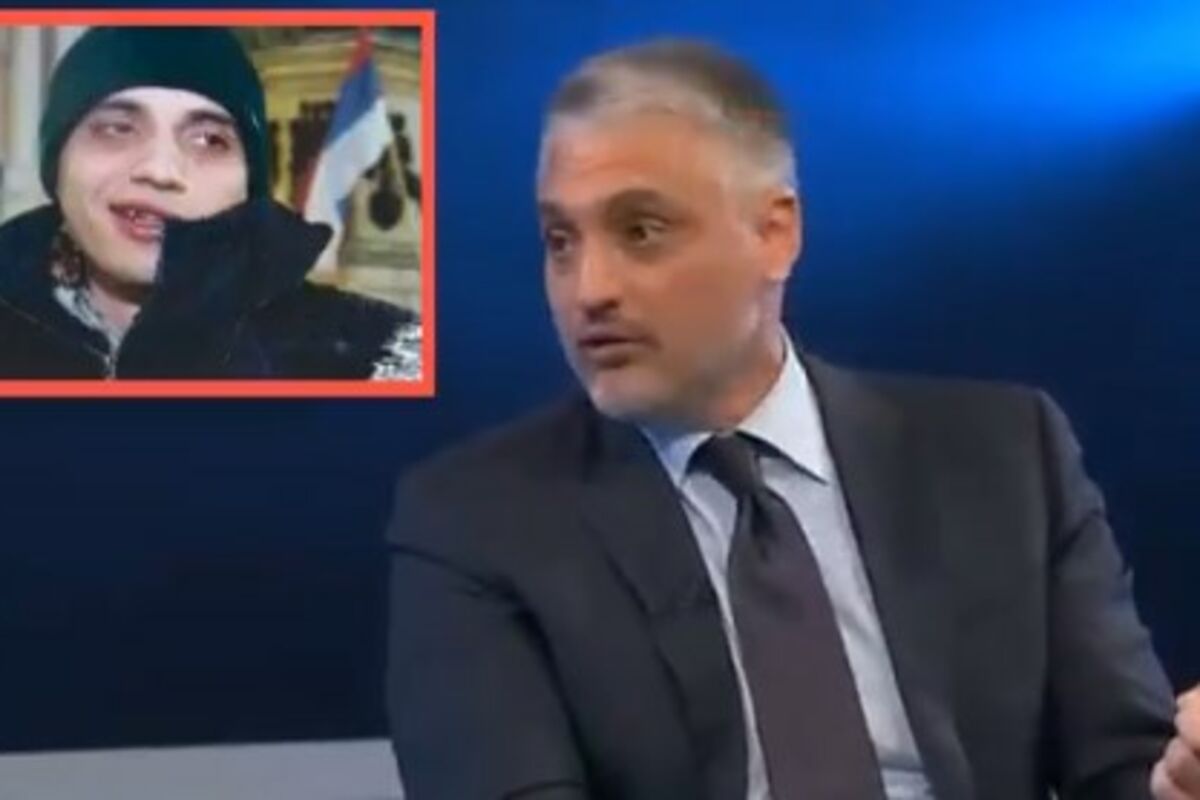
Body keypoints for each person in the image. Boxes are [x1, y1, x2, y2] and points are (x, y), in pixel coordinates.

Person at [385, 40, 1198, 799]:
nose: (589, 287)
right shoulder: (477, 521)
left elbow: (1126, 767)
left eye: (641, 231)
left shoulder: (1004, 457)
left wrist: (1182, 779)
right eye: (561, 240)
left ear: (775, 233)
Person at [0, 26, 420, 379]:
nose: (161, 170)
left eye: (208, 140)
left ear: (248, 183)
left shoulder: (384, 355)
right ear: (57, 163)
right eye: (117, 129)